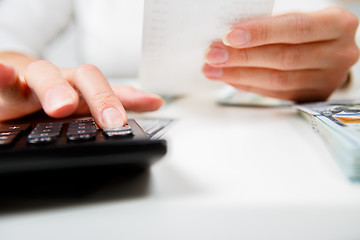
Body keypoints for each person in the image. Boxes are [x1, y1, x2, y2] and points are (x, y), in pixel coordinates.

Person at [0, 0, 359, 129]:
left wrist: (342, 74)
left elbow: (344, 32)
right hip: (140, 130)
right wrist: (24, 81)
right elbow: (8, 35)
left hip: (287, 140)